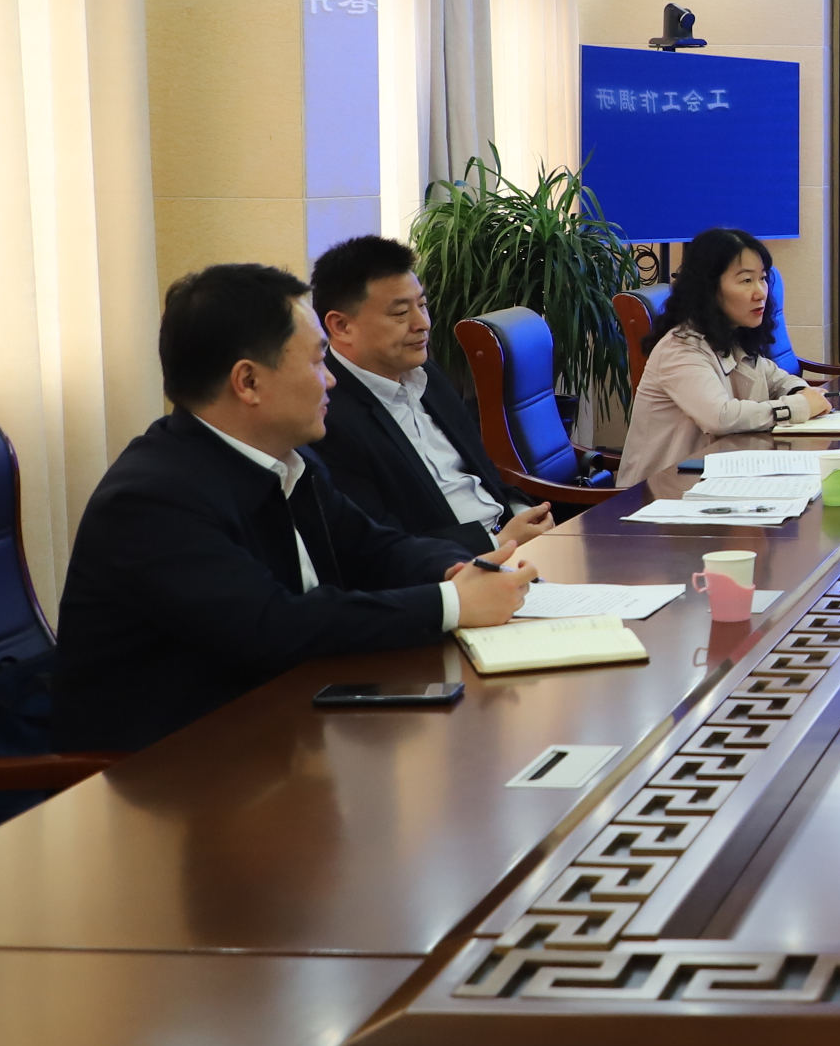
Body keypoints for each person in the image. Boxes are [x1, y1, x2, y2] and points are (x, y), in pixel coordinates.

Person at [52, 264, 538, 753]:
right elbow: (272, 626)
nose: (331, 381)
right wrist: (451, 603)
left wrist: (455, 569)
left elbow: (373, 548)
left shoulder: (289, 461)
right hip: (171, 764)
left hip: (287, 726)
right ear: (248, 381)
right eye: (317, 361)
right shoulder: (152, 501)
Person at [308, 235, 556, 557]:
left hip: (517, 544)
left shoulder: (426, 374)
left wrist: (525, 514)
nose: (422, 324)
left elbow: (487, 477)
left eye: (423, 305)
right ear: (341, 326)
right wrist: (496, 544)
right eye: (400, 313)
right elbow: (378, 547)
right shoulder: (327, 416)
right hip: (455, 569)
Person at [614, 228, 829, 488]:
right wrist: (798, 407)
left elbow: (777, 379)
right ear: (709, 288)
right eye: (746, 280)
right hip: (658, 494)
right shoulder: (680, 348)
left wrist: (801, 392)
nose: (761, 292)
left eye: (762, 279)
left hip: (712, 481)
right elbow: (720, 417)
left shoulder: (731, 335)